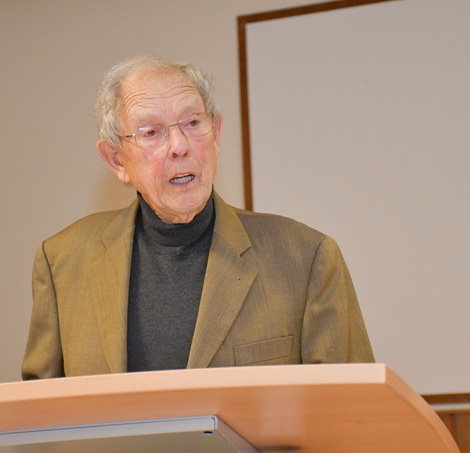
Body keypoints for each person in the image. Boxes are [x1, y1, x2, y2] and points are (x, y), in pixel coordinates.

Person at [21, 55, 374, 379]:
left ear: (216, 135)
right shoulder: (63, 261)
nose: (179, 145)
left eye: (192, 122)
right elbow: (37, 419)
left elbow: (353, 415)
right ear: (116, 160)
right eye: (151, 133)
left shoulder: (305, 258)